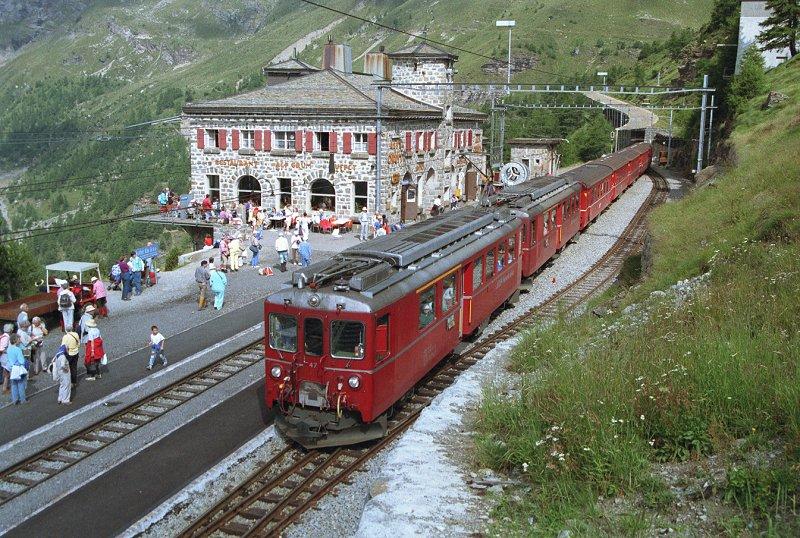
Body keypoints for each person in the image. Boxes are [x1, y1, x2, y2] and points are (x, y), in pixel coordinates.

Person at [7, 334, 27, 404]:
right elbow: (21, 361)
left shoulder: (8, 349)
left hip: (11, 368)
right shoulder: (18, 349)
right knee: (21, 384)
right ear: (15, 340)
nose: (20, 340)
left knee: (14, 384)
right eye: (19, 339)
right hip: (18, 368)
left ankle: (15, 400)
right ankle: (23, 399)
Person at [0, 324, 12, 394]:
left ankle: (5, 388)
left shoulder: (3, 336)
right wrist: (8, 351)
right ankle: (7, 388)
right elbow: (1, 348)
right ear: (10, 330)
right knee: (8, 373)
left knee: (6, 374)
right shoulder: (6, 337)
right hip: (6, 358)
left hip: (4, 358)